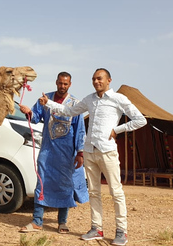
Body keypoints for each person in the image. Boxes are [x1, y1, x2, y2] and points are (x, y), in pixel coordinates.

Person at [39, 68, 147, 246]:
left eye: (100, 79)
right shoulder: (89, 99)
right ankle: (96, 228)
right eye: (94, 79)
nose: (96, 82)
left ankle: (121, 231)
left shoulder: (118, 99)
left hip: (107, 151)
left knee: (116, 192)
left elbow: (140, 120)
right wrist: (48, 103)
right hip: (90, 151)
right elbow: (69, 111)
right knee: (94, 192)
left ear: (109, 80)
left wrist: (117, 130)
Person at [18, 72, 89, 234]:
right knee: (42, 183)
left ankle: (62, 222)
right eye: (60, 83)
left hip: (66, 153)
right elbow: (35, 117)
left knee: (65, 186)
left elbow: (79, 130)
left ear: (70, 84)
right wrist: (28, 112)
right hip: (48, 151)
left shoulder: (75, 104)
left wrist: (80, 153)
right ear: (56, 82)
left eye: (65, 84)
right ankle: (37, 221)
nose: (62, 86)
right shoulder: (44, 99)